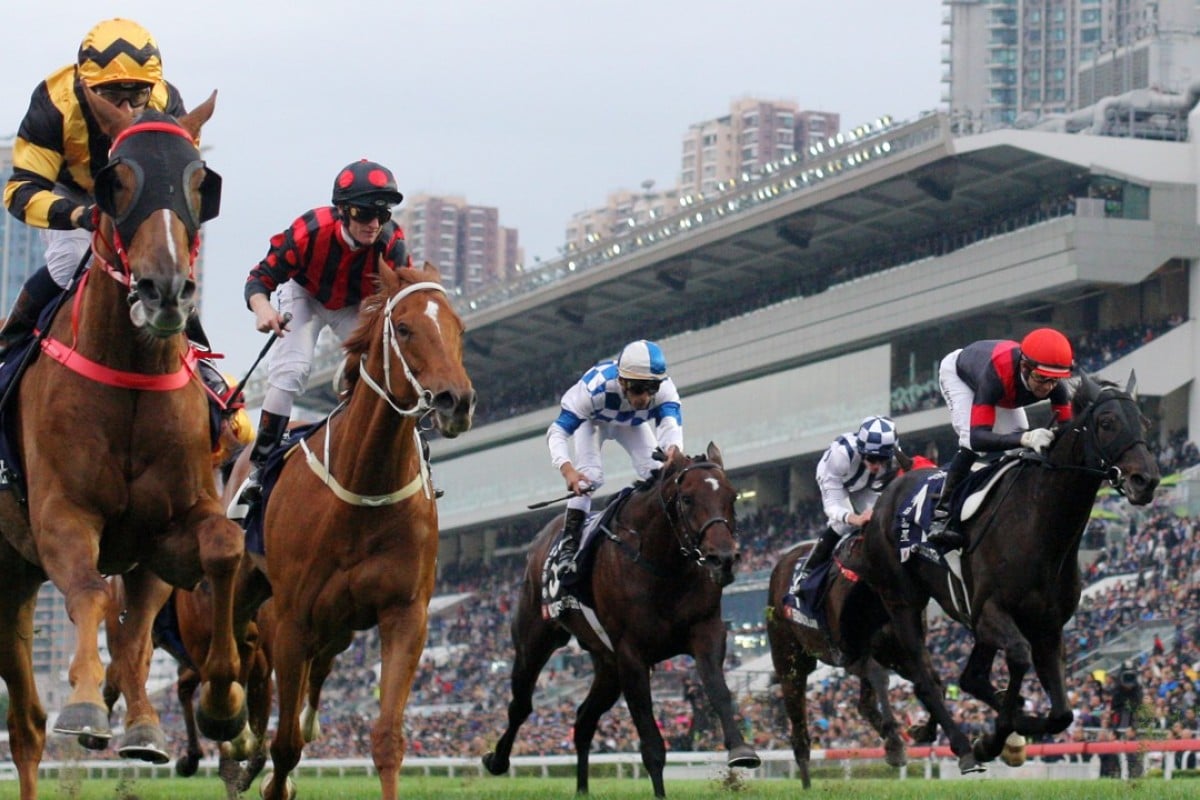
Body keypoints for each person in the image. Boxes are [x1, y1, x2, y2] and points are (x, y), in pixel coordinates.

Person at [1, 18, 190, 358]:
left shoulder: (167, 104)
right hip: (72, 190)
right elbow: (20, 191)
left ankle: (200, 358)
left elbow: (181, 181)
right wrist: (78, 215)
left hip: (136, 196)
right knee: (72, 260)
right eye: (111, 96)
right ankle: (12, 343)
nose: (126, 110)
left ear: (152, 87)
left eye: (137, 96)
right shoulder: (53, 103)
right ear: (85, 87)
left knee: (168, 265)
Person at [234, 159, 412, 506]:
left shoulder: (392, 244)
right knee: (292, 370)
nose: (373, 224)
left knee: (390, 366)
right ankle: (259, 469)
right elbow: (259, 279)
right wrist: (264, 310)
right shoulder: (309, 231)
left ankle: (410, 455)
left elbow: (403, 301)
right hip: (305, 295)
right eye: (364, 214)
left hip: (354, 304)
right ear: (344, 211)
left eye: (382, 215)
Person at [546, 339, 683, 578]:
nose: (645, 398)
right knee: (589, 477)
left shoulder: (666, 390)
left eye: (651, 389)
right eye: (639, 389)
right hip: (593, 421)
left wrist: (673, 450)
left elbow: (670, 426)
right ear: (622, 381)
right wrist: (567, 470)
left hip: (631, 423)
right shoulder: (594, 389)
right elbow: (557, 432)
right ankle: (569, 545)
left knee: (659, 471)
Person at [927, 327, 1074, 548]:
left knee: (1022, 440)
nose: (1048, 387)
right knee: (971, 443)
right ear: (1025, 367)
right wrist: (1025, 438)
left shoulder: (1053, 383)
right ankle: (942, 514)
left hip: (1004, 388)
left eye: (1055, 380)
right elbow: (978, 438)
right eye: (1042, 379)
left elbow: (1068, 432)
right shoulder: (995, 375)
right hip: (963, 377)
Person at [797, 416, 903, 583]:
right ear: (861, 450)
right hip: (838, 480)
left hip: (866, 484)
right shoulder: (840, 455)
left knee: (881, 520)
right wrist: (856, 518)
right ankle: (807, 574)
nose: (876, 465)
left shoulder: (895, 455)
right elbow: (832, 506)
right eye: (871, 458)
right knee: (842, 525)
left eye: (882, 460)